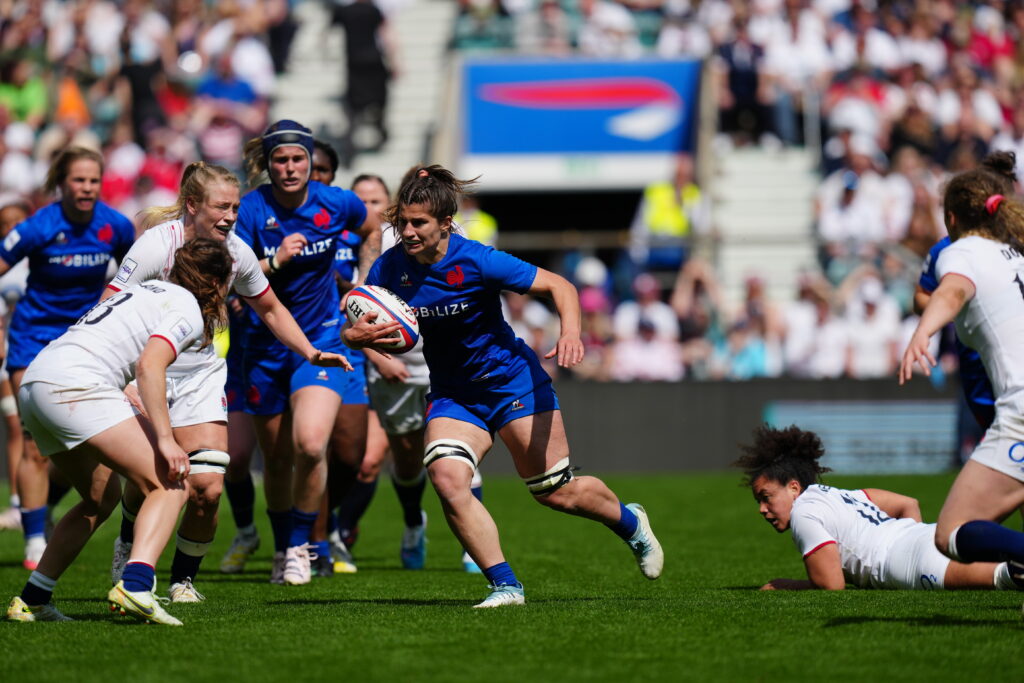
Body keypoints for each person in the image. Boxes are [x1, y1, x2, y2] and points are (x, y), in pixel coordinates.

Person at [343, 165, 663, 607]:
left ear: (446, 224)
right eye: (404, 223)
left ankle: (631, 523)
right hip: (456, 394)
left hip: (512, 383)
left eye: (420, 223)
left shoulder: (477, 259)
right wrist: (353, 338)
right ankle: (505, 586)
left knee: (556, 491)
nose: (409, 232)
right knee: (447, 477)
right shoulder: (389, 267)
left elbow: (561, 286)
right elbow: (361, 321)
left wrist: (571, 334)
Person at [106, 161, 350, 601]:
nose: (231, 215)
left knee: (206, 487)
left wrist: (310, 351)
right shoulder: (155, 247)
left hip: (200, 375)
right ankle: (127, 541)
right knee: (152, 480)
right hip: (146, 371)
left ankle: (183, 580)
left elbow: (271, 309)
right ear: (192, 204)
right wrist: (118, 378)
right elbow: (109, 304)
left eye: (236, 207)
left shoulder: (236, 251)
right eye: (221, 206)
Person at [5, 239, 232, 625]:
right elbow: (149, 365)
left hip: (36, 380)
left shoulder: (140, 289)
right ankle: (137, 585)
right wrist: (165, 440)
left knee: (99, 498)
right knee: (172, 482)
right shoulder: (188, 309)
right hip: (76, 386)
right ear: (215, 284)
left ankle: (32, 599)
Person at [234, 120, 381, 585]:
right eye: (281, 159)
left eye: (299, 159)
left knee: (312, 443)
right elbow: (230, 274)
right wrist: (273, 263)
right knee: (275, 460)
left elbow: (372, 227)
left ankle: (302, 546)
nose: (291, 167)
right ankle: (282, 549)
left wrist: (365, 286)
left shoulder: (336, 202)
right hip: (262, 346)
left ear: (310, 160)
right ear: (268, 164)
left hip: (321, 339)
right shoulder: (251, 210)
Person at [0, 147, 135, 570]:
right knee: (34, 440)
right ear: (62, 183)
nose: (87, 188)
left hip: (85, 344)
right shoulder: (39, 226)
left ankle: (47, 508)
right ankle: (34, 540)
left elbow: (140, 273)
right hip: (32, 340)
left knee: (77, 444)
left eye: (94, 180)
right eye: (79, 180)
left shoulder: (114, 226)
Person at [900, 159, 1024, 586]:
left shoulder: (960, 252)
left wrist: (923, 332)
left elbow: (951, 290)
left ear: (951, 217)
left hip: (1020, 409)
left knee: (950, 532)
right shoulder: (1015, 251)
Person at [734, 424, 1023, 591]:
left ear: (794, 487)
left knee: (1008, 576)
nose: (762, 509)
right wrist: (911, 535)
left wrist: (783, 584)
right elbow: (908, 503)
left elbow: (832, 588)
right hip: (922, 535)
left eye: (766, 496)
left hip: (907, 562)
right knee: (1008, 561)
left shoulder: (803, 513)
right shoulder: (836, 494)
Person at [0, 194, 30, 531]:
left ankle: (41, 501)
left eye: (16, 221)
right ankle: (17, 503)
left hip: (45, 351)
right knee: (15, 426)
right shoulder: (4, 262)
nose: (10, 228)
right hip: (11, 351)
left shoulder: (41, 256)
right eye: (4, 224)